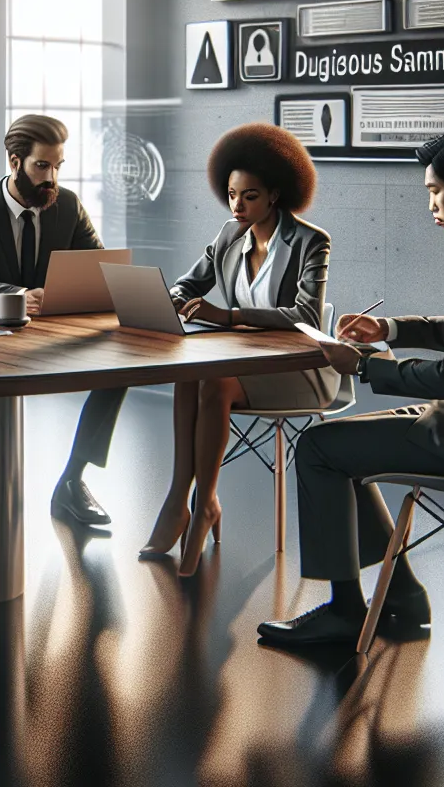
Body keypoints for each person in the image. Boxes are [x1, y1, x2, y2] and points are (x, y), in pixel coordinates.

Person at [257, 131, 444, 649]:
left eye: (434, 191)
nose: (430, 205)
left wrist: (361, 366)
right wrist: (390, 331)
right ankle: (399, 596)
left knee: (317, 447)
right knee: (338, 445)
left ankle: (348, 611)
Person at [141, 123, 339, 575]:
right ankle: (182, 500)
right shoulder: (230, 234)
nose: (238, 205)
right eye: (231, 195)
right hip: (241, 360)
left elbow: (307, 315)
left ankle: (201, 505)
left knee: (214, 381)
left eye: (249, 196)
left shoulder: (311, 242)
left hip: (300, 368)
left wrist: (228, 317)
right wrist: (173, 299)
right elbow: (189, 282)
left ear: (275, 194)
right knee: (189, 372)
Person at [0, 114, 126, 527]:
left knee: (122, 365)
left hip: (51, 333)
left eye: (58, 167)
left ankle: (72, 481)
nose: (51, 178)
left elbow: (100, 268)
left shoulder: (67, 206)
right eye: (42, 166)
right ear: (14, 162)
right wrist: (17, 295)